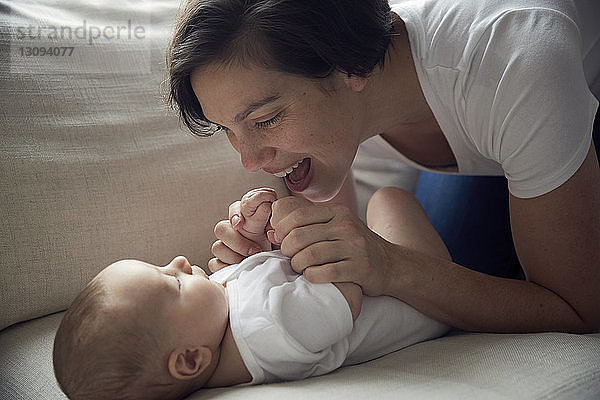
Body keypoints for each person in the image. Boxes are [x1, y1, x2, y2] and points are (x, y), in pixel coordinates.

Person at [167, 0, 600, 334]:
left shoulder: (517, 58)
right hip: (493, 135)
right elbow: (350, 269)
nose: (250, 161)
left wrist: (393, 265)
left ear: (352, 66)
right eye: (228, 129)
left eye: (266, 120)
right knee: (439, 293)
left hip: (567, 102)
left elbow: (579, 311)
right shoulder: (325, 125)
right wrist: (278, 262)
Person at [52, 187, 449, 400]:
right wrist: (294, 229)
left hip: (389, 281)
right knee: (389, 199)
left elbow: (266, 275)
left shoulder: (213, 321)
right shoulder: (269, 335)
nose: (177, 261)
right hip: (421, 298)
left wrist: (263, 239)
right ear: (190, 360)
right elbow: (344, 291)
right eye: (172, 282)